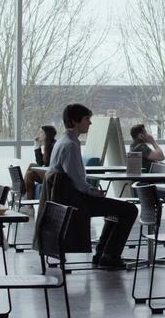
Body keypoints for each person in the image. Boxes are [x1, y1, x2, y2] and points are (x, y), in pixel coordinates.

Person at [48, 103, 138, 269]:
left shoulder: (61, 142)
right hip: (76, 202)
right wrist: (95, 192)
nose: (90, 123)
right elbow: (77, 181)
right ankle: (108, 256)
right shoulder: (71, 145)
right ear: (75, 121)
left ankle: (104, 255)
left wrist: (93, 191)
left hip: (64, 199)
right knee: (130, 210)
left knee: (117, 209)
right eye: (87, 119)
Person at [22, 125, 56, 204]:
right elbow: (40, 163)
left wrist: (37, 147)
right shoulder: (48, 145)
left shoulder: (54, 145)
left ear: (47, 134)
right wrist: (37, 146)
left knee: (29, 174)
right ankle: (21, 190)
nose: (39, 134)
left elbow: (43, 164)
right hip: (48, 171)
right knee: (31, 165)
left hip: (53, 174)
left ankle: (28, 202)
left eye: (41, 132)